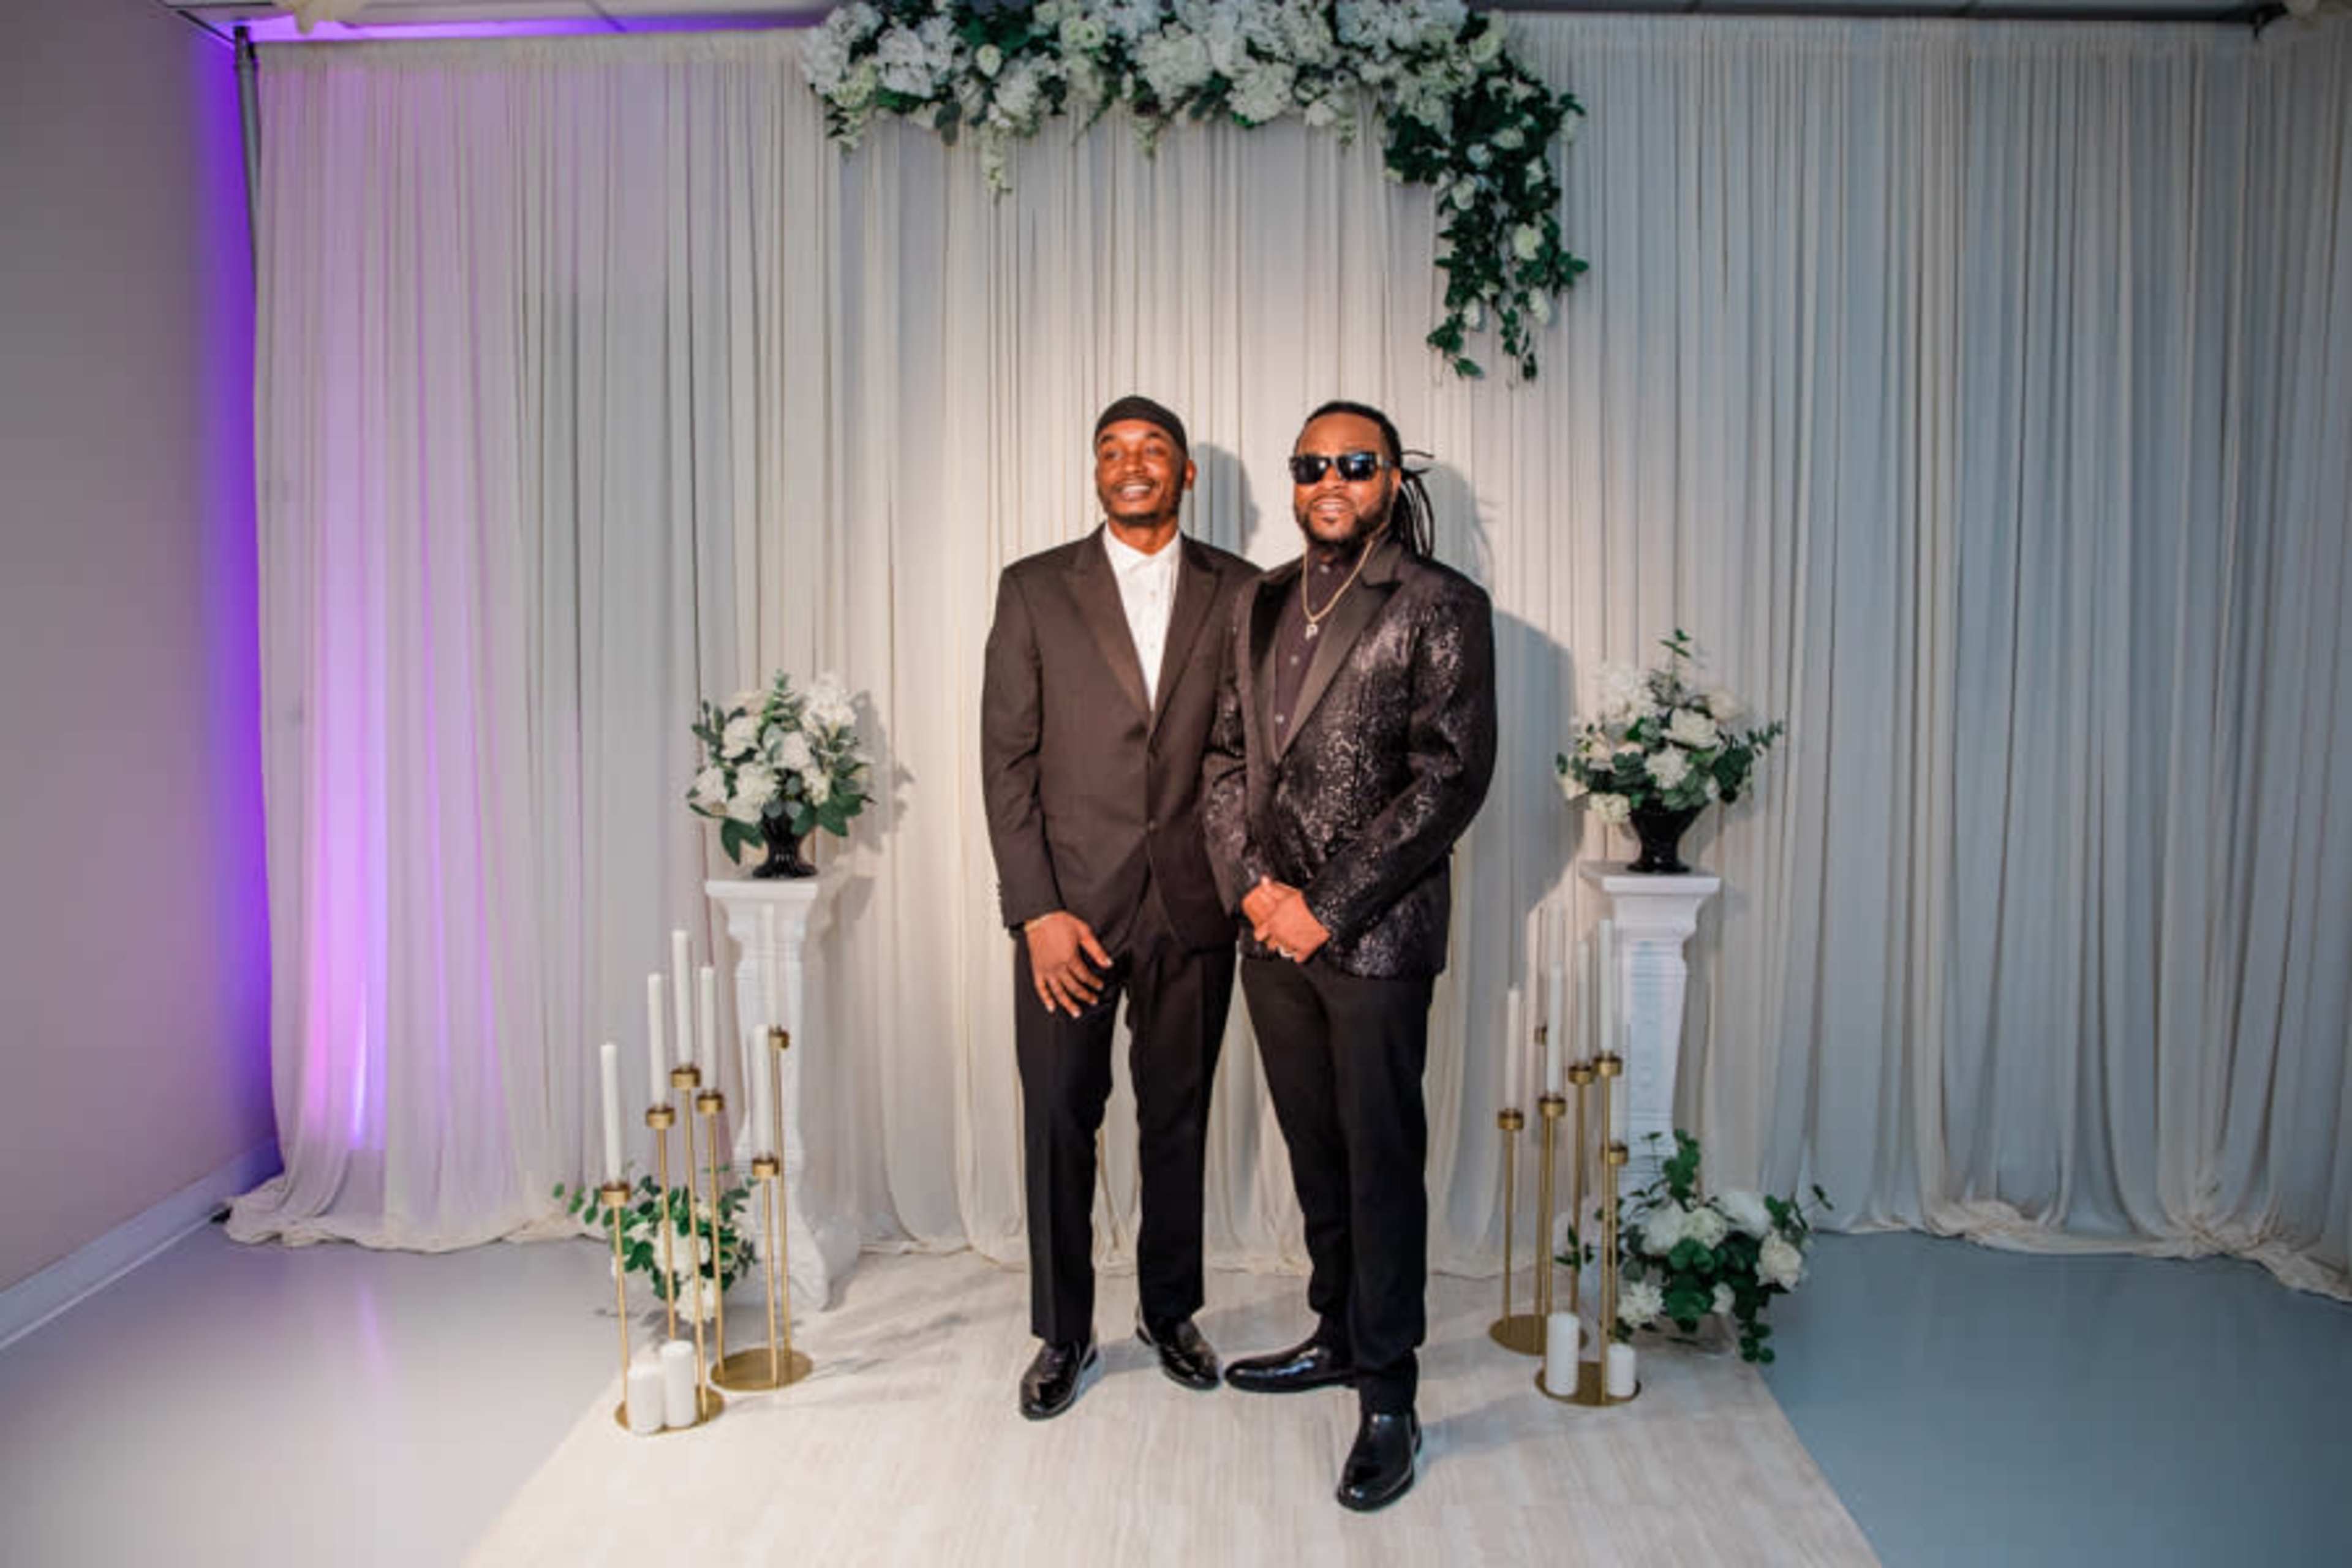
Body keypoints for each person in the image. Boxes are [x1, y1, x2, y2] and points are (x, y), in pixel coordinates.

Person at [1202, 399, 1497, 1510]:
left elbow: (1449, 779)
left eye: (1356, 463)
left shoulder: (1439, 604)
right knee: (1315, 1151)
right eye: (1312, 464)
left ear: (1392, 479)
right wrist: (1254, 890)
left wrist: (1324, 908)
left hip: (1375, 937)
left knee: (1379, 1162)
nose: (1331, 481)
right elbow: (1224, 761)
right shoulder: (1260, 599)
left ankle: (1389, 1394)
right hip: (1270, 935)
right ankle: (1334, 1333)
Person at [981, 396, 1258, 1420]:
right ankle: (1064, 1333)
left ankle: (1169, 1311)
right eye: (1112, 451)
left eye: (1152, 450)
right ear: (1096, 473)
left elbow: (1257, 752)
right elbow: (1006, 762)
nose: (1131, 464)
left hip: (1193, 905)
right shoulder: (1033, 588)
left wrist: (1244, 879)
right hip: (1069, 914)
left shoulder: (1245, 590)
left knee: (1177, 1118)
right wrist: (1036, 913)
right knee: (1060, 1117)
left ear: (1186, 474)